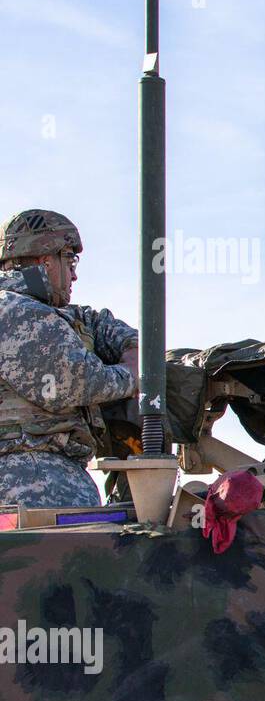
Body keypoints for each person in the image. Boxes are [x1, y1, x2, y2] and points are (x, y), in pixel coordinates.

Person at [0, 209, 138, 507]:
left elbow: (101, 326)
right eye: (69, 259)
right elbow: (75, 382)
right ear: (45, 260)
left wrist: (134, 347)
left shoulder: (55, 315)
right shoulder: (15, 312)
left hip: (41, 475)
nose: (74, 273)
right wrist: (131, 375)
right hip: (31, 483)